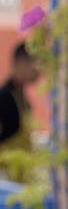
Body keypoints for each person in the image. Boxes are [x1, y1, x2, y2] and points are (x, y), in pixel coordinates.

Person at [0, 42, 40, 178]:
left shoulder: (23, 98)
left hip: (20, 174)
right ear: (21, 62)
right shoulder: (4, 97)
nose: (39, 70)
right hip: (5, 176)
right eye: (35, 63)